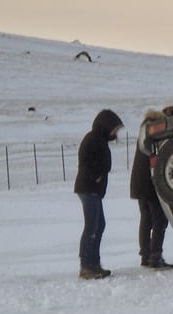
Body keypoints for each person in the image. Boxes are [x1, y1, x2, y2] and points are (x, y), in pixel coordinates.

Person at [74, 109, 123, 280]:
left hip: (93, 190)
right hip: (88, 188)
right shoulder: (92, 139)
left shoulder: (99, 140)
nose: (115, 133)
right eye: (114, 129)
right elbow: (86, 160)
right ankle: (86, 265)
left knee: (99, 225)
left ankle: (94, 263)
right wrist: (95, 175)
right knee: (92, 227)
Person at [131, 109, 173, 269]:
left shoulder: (145, 129)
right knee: (159, 220)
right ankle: (155, 256)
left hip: (138, 181)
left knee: (146, 219)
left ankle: (145, 256)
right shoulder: (156, 131)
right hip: (150, 183)